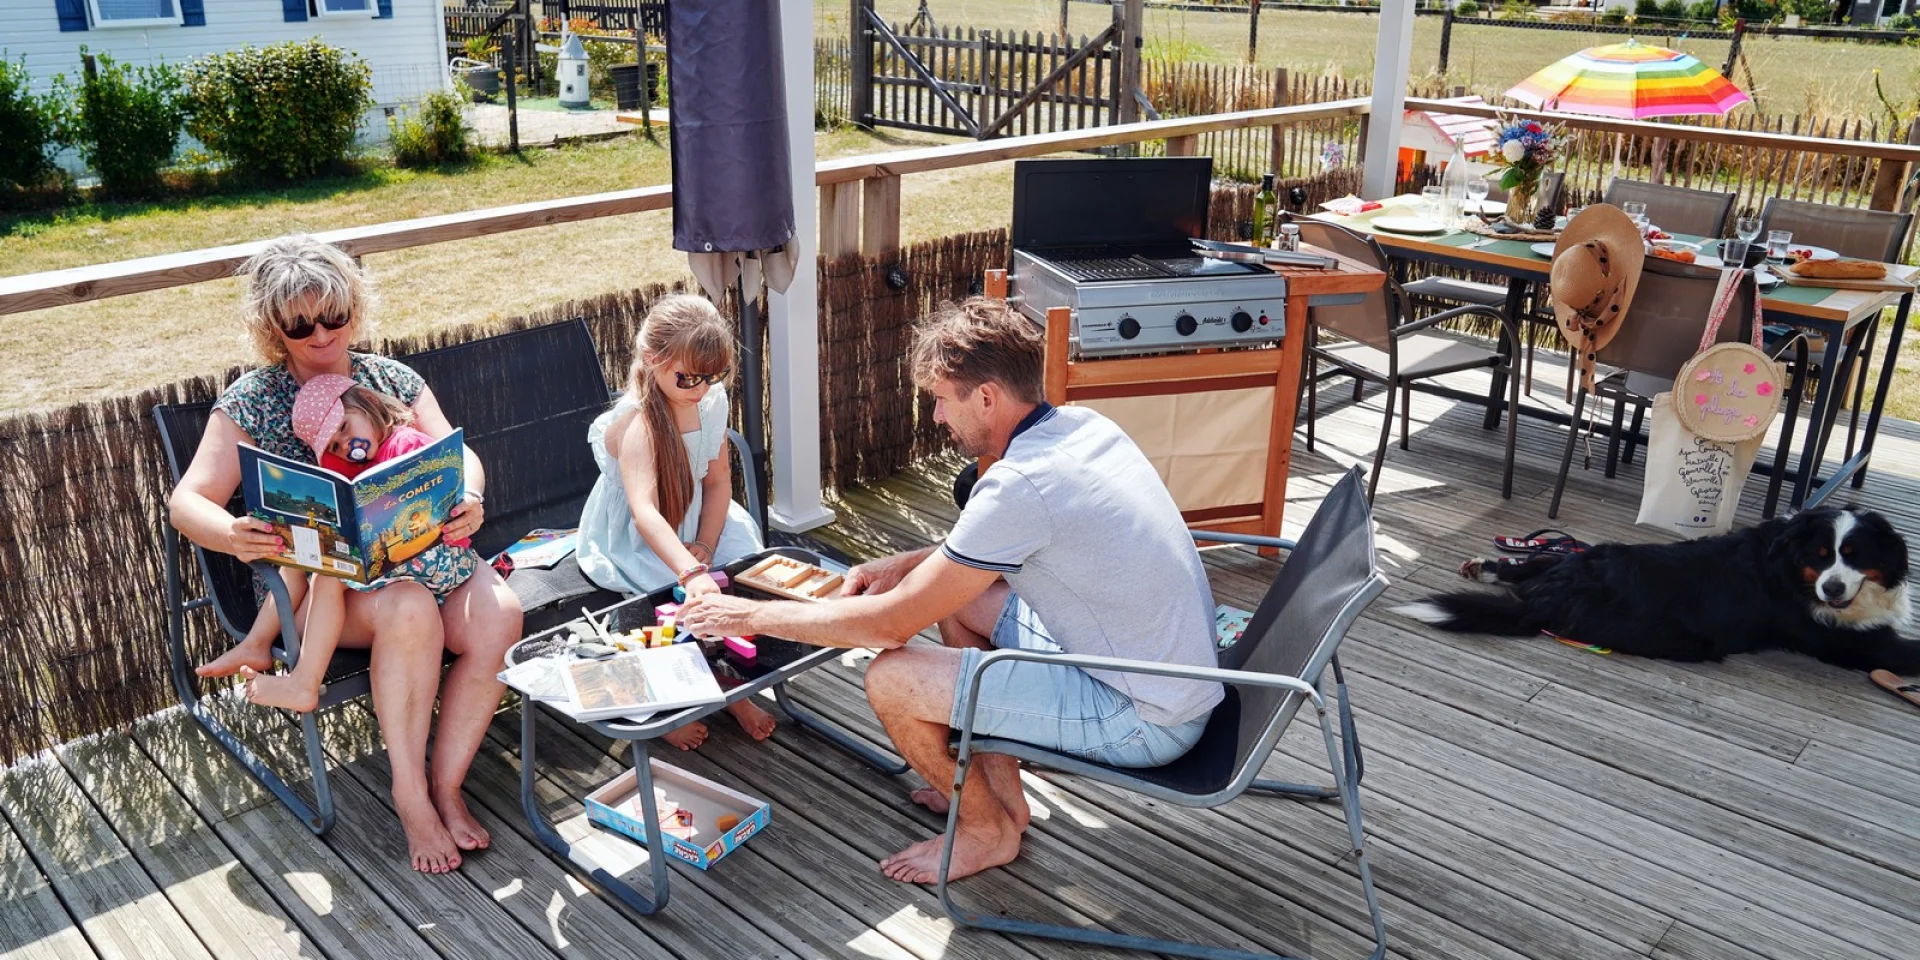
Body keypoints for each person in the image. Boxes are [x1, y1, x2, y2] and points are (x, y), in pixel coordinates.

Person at [681, 297, 1223, 885]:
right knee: (962, 600)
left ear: (987, 396)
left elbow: (886, 628)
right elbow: (1005, 549)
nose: (937, 415)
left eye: (942, 398)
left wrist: (746, 616)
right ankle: (997, 799)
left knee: (890, 679)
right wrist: (909, 564)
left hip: (1145, 716)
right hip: (1168, 672)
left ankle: (987, 831)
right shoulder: (1083, 427)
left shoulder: (1017, 485)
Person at [170, 235, 521, 875]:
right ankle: (411, 797)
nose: (320, 333)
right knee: (410, 607)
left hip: (424, 557)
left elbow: (456, 453)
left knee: (500, 613)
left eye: (333, 315)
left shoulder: (388, 379)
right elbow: (186, 502)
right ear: (273, 328)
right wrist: (231, 533)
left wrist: (468, 493)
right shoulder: (254, 400)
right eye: (299, 323)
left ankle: (448, 784)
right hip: (316, 591)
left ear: (353, 310)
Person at [576, 293, 773, 750]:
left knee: (740, 570)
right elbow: (645, 512)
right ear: (652, 359)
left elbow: (719, 481)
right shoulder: (638, 423)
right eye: (689, 377)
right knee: (662, 597)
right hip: (642, 536)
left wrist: (704, 547)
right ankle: (669, 707)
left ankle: (725, 681)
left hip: (696, 522)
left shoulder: (708, 402)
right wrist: (688, 567)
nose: (701, 388)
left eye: (713, 376)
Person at [215, 376, 477, 717]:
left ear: (366, 404)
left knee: (329, 574)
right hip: (407, 559)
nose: (345, 445)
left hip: (436, 558)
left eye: (343, 427)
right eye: (334, 446)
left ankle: (304, 682)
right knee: (306, 550)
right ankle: (257, 643)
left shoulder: (406, 444)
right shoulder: (351, 463)